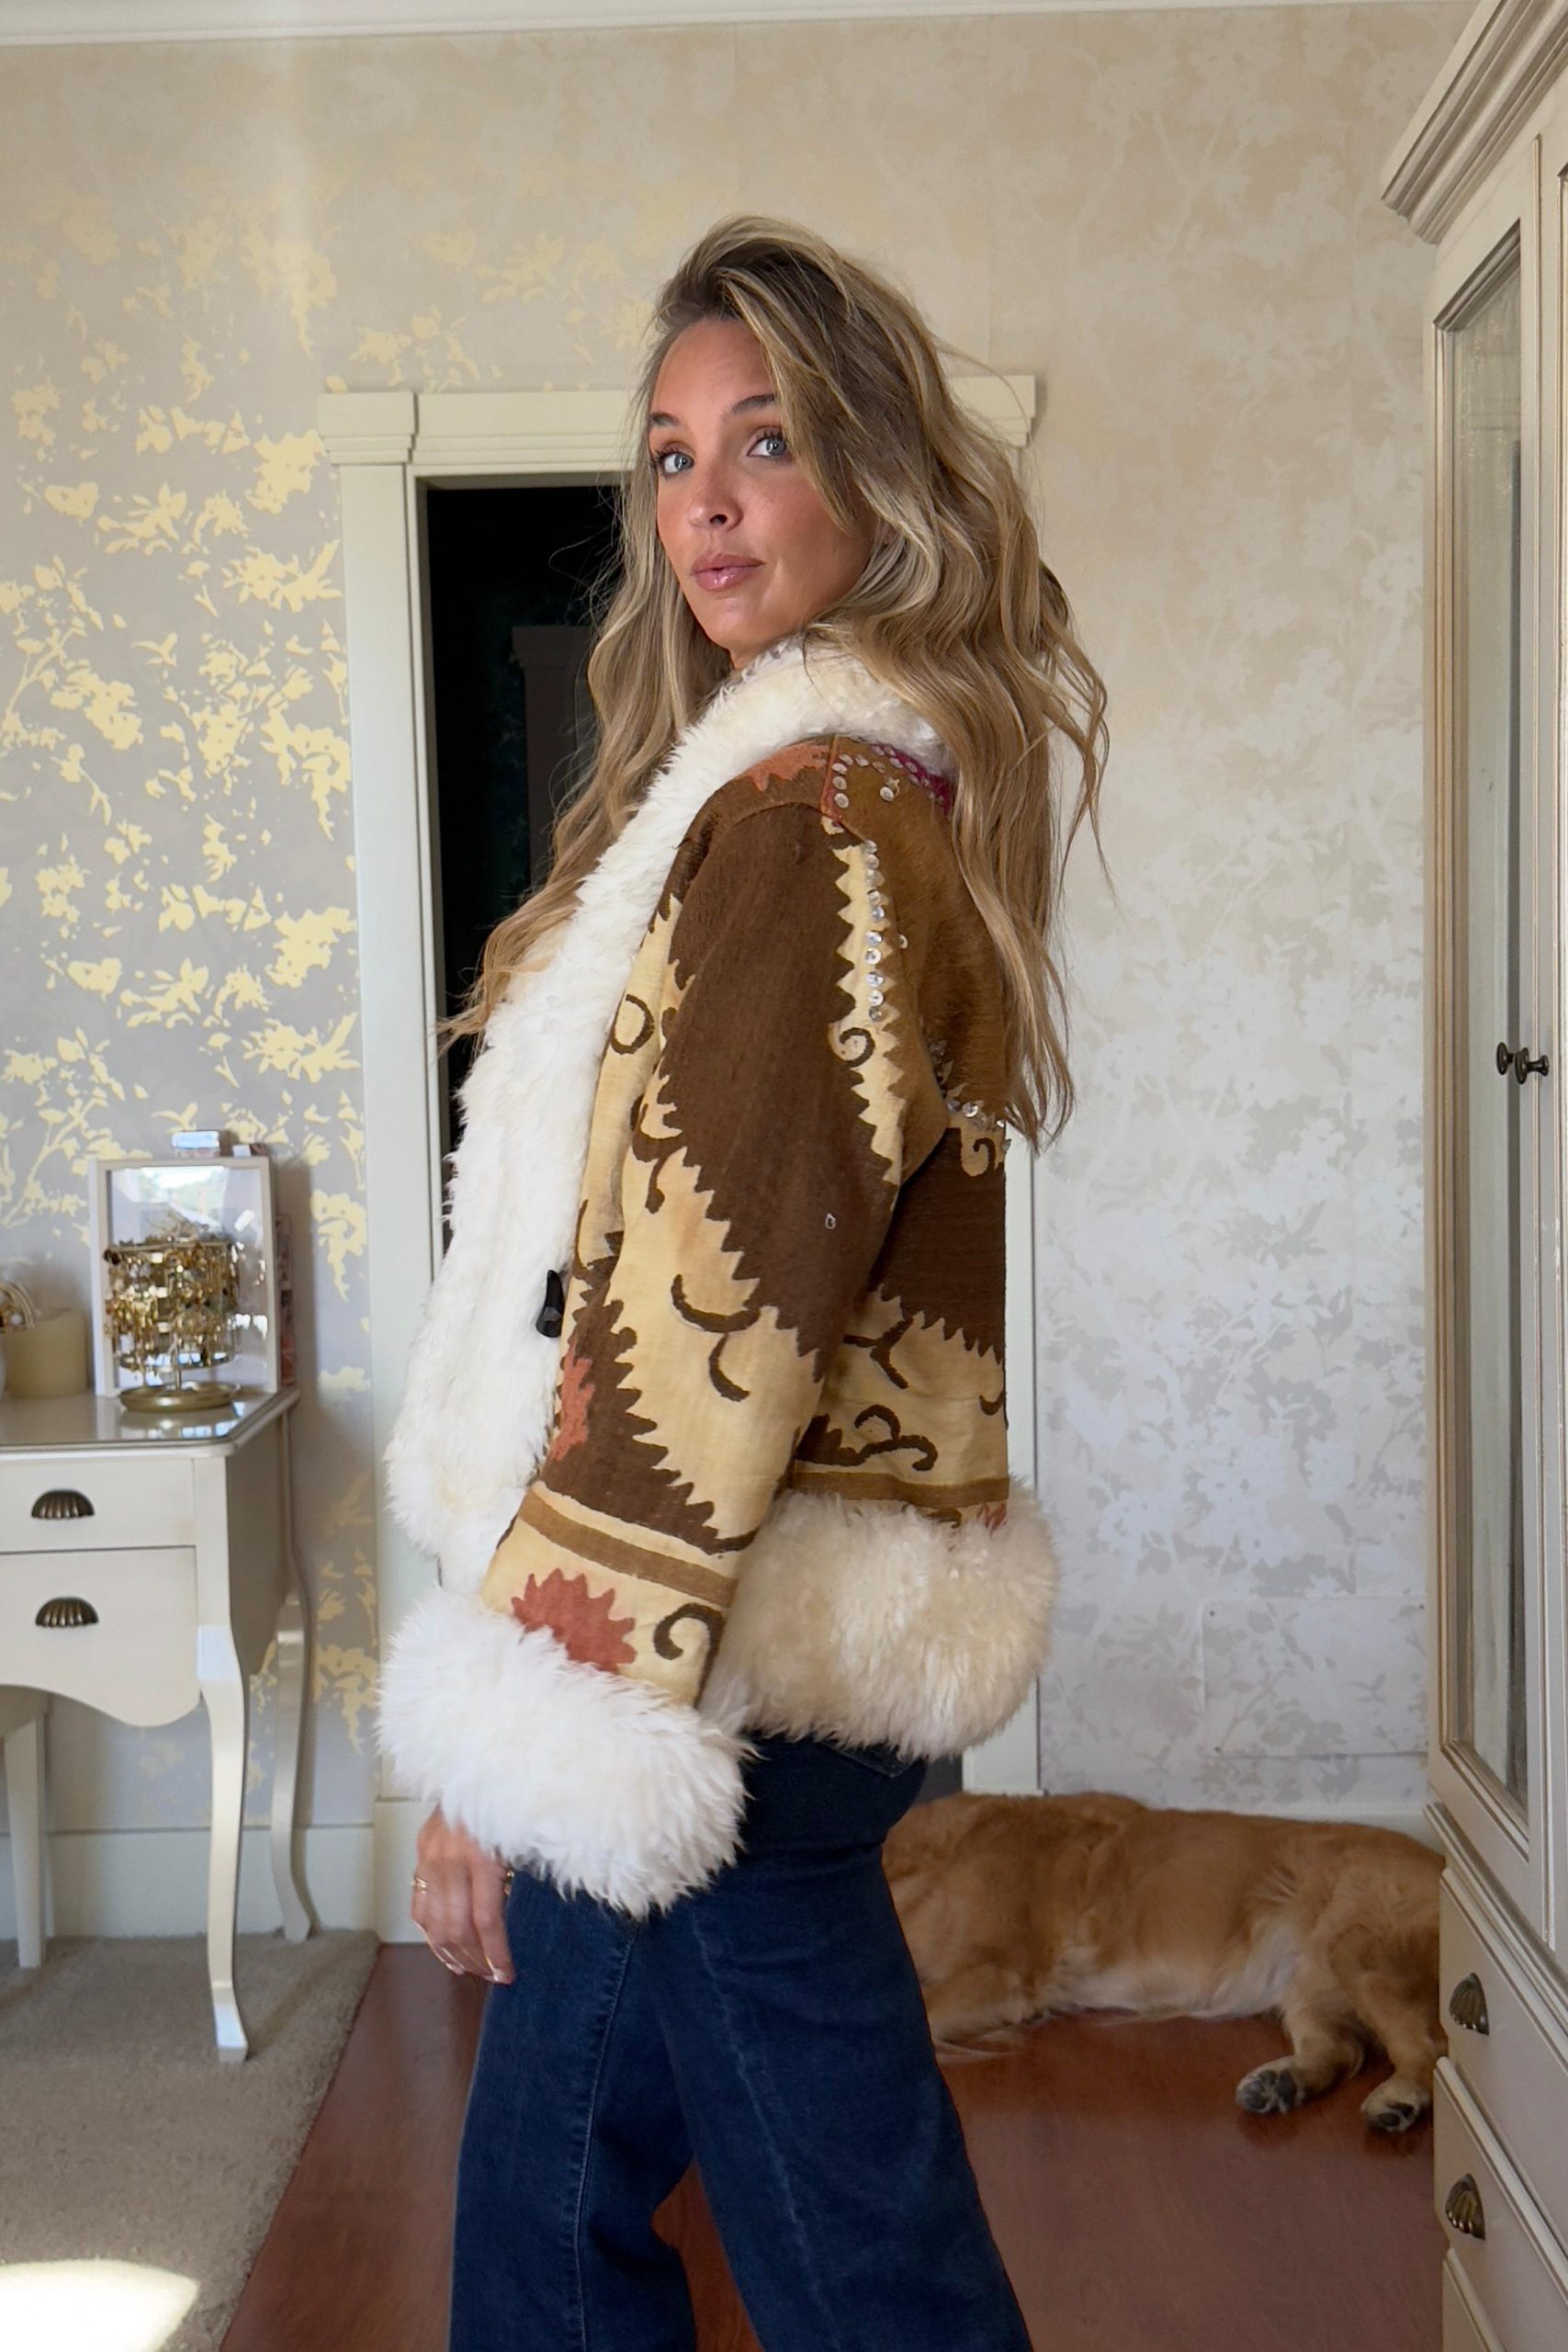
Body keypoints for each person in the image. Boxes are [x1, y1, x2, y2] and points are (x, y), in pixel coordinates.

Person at [376, 214, 1109, 2352]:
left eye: (766, 440)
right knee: (563, 2211)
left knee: (806, 2263)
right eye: (673, 454)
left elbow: (705, 1317)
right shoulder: (804, 799)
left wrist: (519, 1728)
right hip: (720, 1661)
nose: (705, 499)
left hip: (708, 1672)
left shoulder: (806, 819)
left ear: (873, 474)